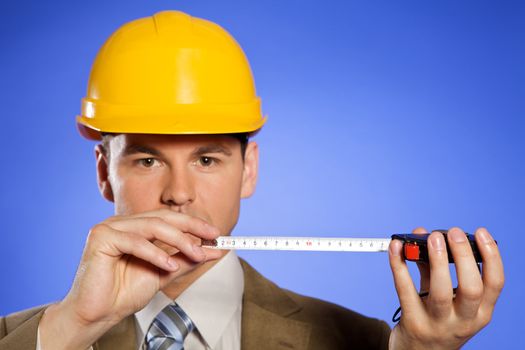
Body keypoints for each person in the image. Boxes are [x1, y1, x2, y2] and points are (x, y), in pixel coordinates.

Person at [0, 10, 504, 350]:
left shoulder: (369, 345)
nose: (178, 194)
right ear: (104, 174)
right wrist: (71, 328)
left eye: (207, 160)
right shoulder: (32, 337)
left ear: (250, 170)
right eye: (147, 161)